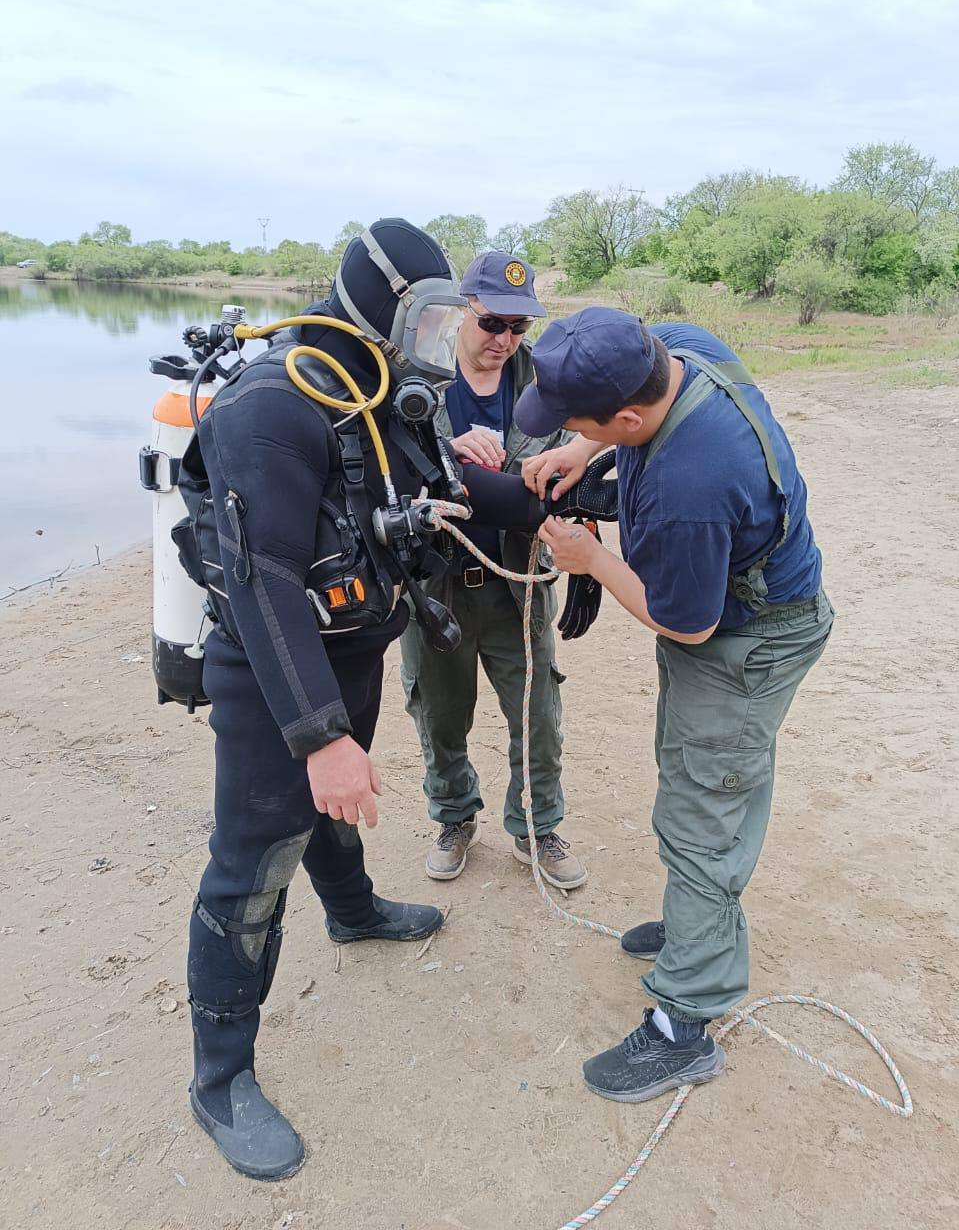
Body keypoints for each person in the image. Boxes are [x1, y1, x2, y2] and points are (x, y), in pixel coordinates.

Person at [180, 221, 614, 1179]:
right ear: (376, 303)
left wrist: (565, 506)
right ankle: (221, 1079)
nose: (443, 333)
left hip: (357, 649)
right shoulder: (273, 408)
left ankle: (354, 910)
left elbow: (456, 490)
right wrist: (320, 734)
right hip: (272, 681)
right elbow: (265, 588)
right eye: (429, 314)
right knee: (252, 868)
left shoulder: (381, 398)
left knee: (340, 809)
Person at [517, 307, 834, 1105]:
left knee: (702, 810)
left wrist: (588, 557)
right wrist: (577, 447)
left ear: (630, 414)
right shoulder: (678, 350)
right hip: (750, 610)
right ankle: (699, 933)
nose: (571, 432)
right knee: (698, 780)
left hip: (745, 640)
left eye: (582, 421)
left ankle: (684, 1023)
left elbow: (684, 621)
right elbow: (655, 348)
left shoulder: (692, 483)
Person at [400, 252, 587, 890]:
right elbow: (375, 468)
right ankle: (454, 817)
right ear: (460, 314)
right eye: (491, 325)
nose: (504, 340)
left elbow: (580, 466)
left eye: (518, 328)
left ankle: (537, 825)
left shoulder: (548, 387)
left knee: (538, 712)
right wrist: (441, 449)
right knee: (440, 715)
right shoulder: (411, 378)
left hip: (518, 586)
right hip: (436, 587)